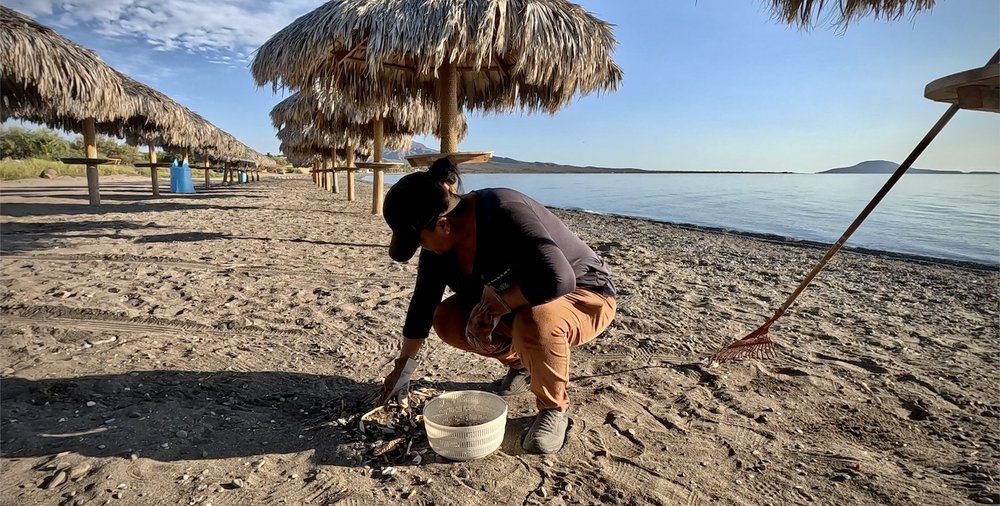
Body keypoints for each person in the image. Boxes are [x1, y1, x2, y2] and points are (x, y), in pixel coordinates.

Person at [379, 158, 617, 454]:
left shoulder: (503, 211)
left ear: (443, 224)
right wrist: (403, 369)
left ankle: (553, 409)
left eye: (418, 241)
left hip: (585, 295)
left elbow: (559, 279)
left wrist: (500, 302)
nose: (421, 249)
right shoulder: (439, 249)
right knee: (448, 319)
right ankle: (521, 366)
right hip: (523, 302)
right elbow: (423, 306)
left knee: (534, 319)